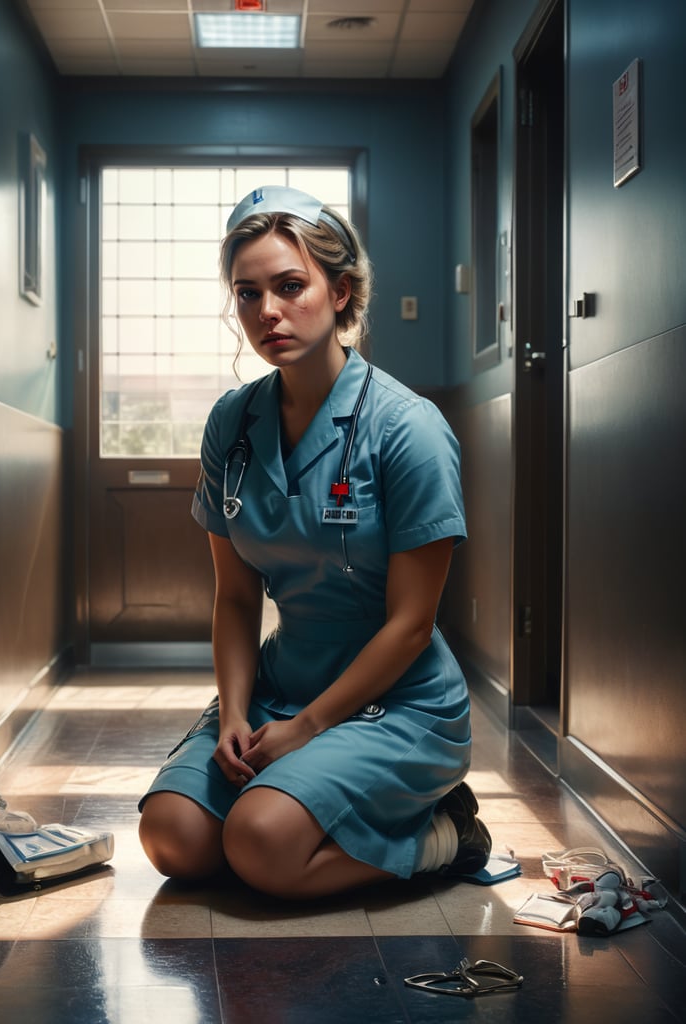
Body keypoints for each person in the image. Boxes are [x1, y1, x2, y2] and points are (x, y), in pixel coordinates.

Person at [139, 185, 491, 899]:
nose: (266, 312)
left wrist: (306, 730)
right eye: (246, 294)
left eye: (290, 286)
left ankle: (447, 834)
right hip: (279, 685)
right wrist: (236, 711)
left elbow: (410, 624)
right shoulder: (232, 424)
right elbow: (236, 599)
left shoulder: (407, 428)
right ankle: (301, 807)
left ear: (340, 292)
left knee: (259, 847)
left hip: (396, 702)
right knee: (172, 838)